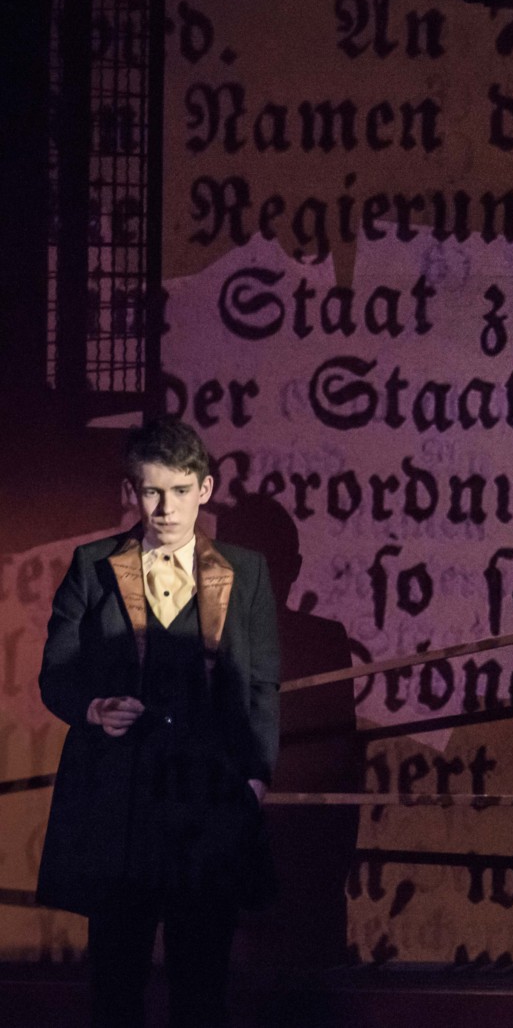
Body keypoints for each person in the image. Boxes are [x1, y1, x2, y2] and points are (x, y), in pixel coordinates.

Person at [37, 418, 280, 1028]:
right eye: (151, 491)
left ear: (205, 489)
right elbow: (57, 675)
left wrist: (255, 779)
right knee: (116, 981)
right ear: (132, 492)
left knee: (202, 982)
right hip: (121, 804)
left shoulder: (246, 571)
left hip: (208, 803)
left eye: (178, 490)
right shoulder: (93, 565)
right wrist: (93, 708)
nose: (165, 508)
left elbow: (261, 684)